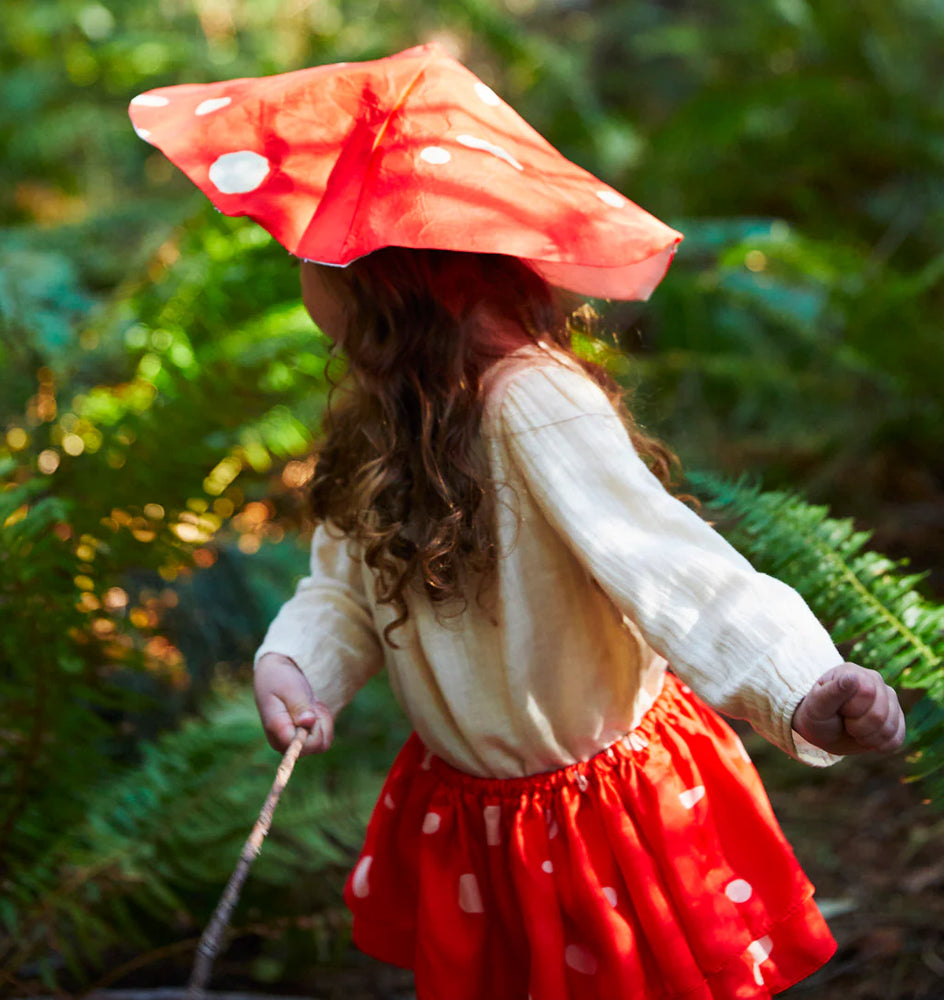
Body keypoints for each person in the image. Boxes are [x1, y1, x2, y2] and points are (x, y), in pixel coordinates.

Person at [253, 246, 904, 1000]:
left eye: (310, 254)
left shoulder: (532, 403)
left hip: (599, 816)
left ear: (386, 281)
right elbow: (346, 591)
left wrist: (800, 685)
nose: (298, 269)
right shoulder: (382, 421)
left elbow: (670, 565)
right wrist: (300, 665)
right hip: (480, 817)